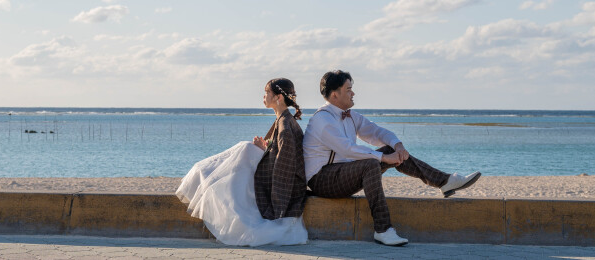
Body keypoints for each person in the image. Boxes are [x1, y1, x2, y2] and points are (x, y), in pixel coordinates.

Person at [303, 70, 481, 247]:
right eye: (349, 89)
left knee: (385, 150)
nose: (353, 93)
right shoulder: (323, 120)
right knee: (370, 164)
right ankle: (383, 230)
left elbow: (376, 131)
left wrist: (397, 145)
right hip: (322, 179)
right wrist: (384, 158)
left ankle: (444, 181)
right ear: (335, 95)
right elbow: (348, 149)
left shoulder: (350, 115)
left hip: (342, 173)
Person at [176, 78, 307, 246]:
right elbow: (280, 153)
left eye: (267, 92)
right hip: (272, 171)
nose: (264, 95)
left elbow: (284, 165)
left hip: (277, 182)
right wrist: (265, 146)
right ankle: (206, 176)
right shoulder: (283, 120)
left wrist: (262, 149)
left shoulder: (285, 125)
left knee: (243, 150)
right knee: (240, 153)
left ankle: (206, 177)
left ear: (278, 98)